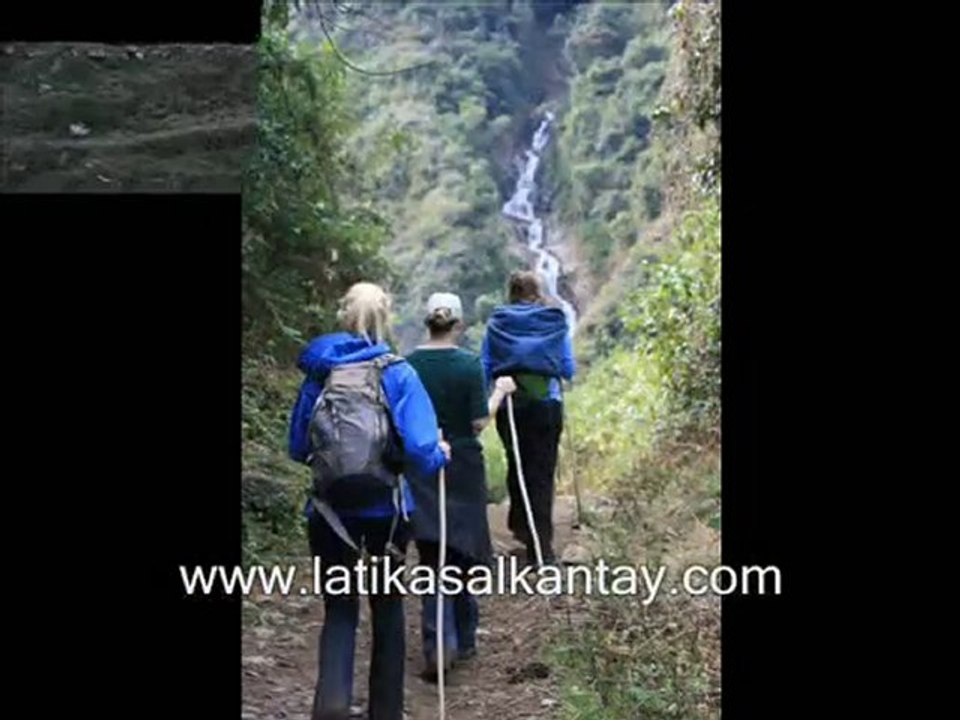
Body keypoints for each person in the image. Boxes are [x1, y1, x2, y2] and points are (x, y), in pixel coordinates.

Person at [288, 281, 451, 720]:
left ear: (343, 315)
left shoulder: (320, 373)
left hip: (328, 512)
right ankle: (386, 710)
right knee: (387, 605)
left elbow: (297, 447)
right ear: (386, 318)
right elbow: (420, 450)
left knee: (339, 607)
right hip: (388, 512)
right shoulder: (398, 373)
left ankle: (332, 702)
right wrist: (440, 454)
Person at [404, 292, 516, 680]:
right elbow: (477, 423)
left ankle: (437, 642)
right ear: (459, 325)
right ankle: (464, 638)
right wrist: (500, 392)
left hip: (422, 465)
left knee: (432, 551)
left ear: (426, 322)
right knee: (463, 548)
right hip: (464, 466)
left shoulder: (408, 365)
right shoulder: (469, 365)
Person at [481, 271, 575, 566]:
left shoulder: (497, 324)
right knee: (542, 473)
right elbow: (568, 368)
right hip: (547, 405)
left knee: (517, 463)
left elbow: (486, 365)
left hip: (511, 404)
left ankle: (522, 528)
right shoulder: (553, 323)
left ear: (511, 292)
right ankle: (541, 547)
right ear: (538, 291)